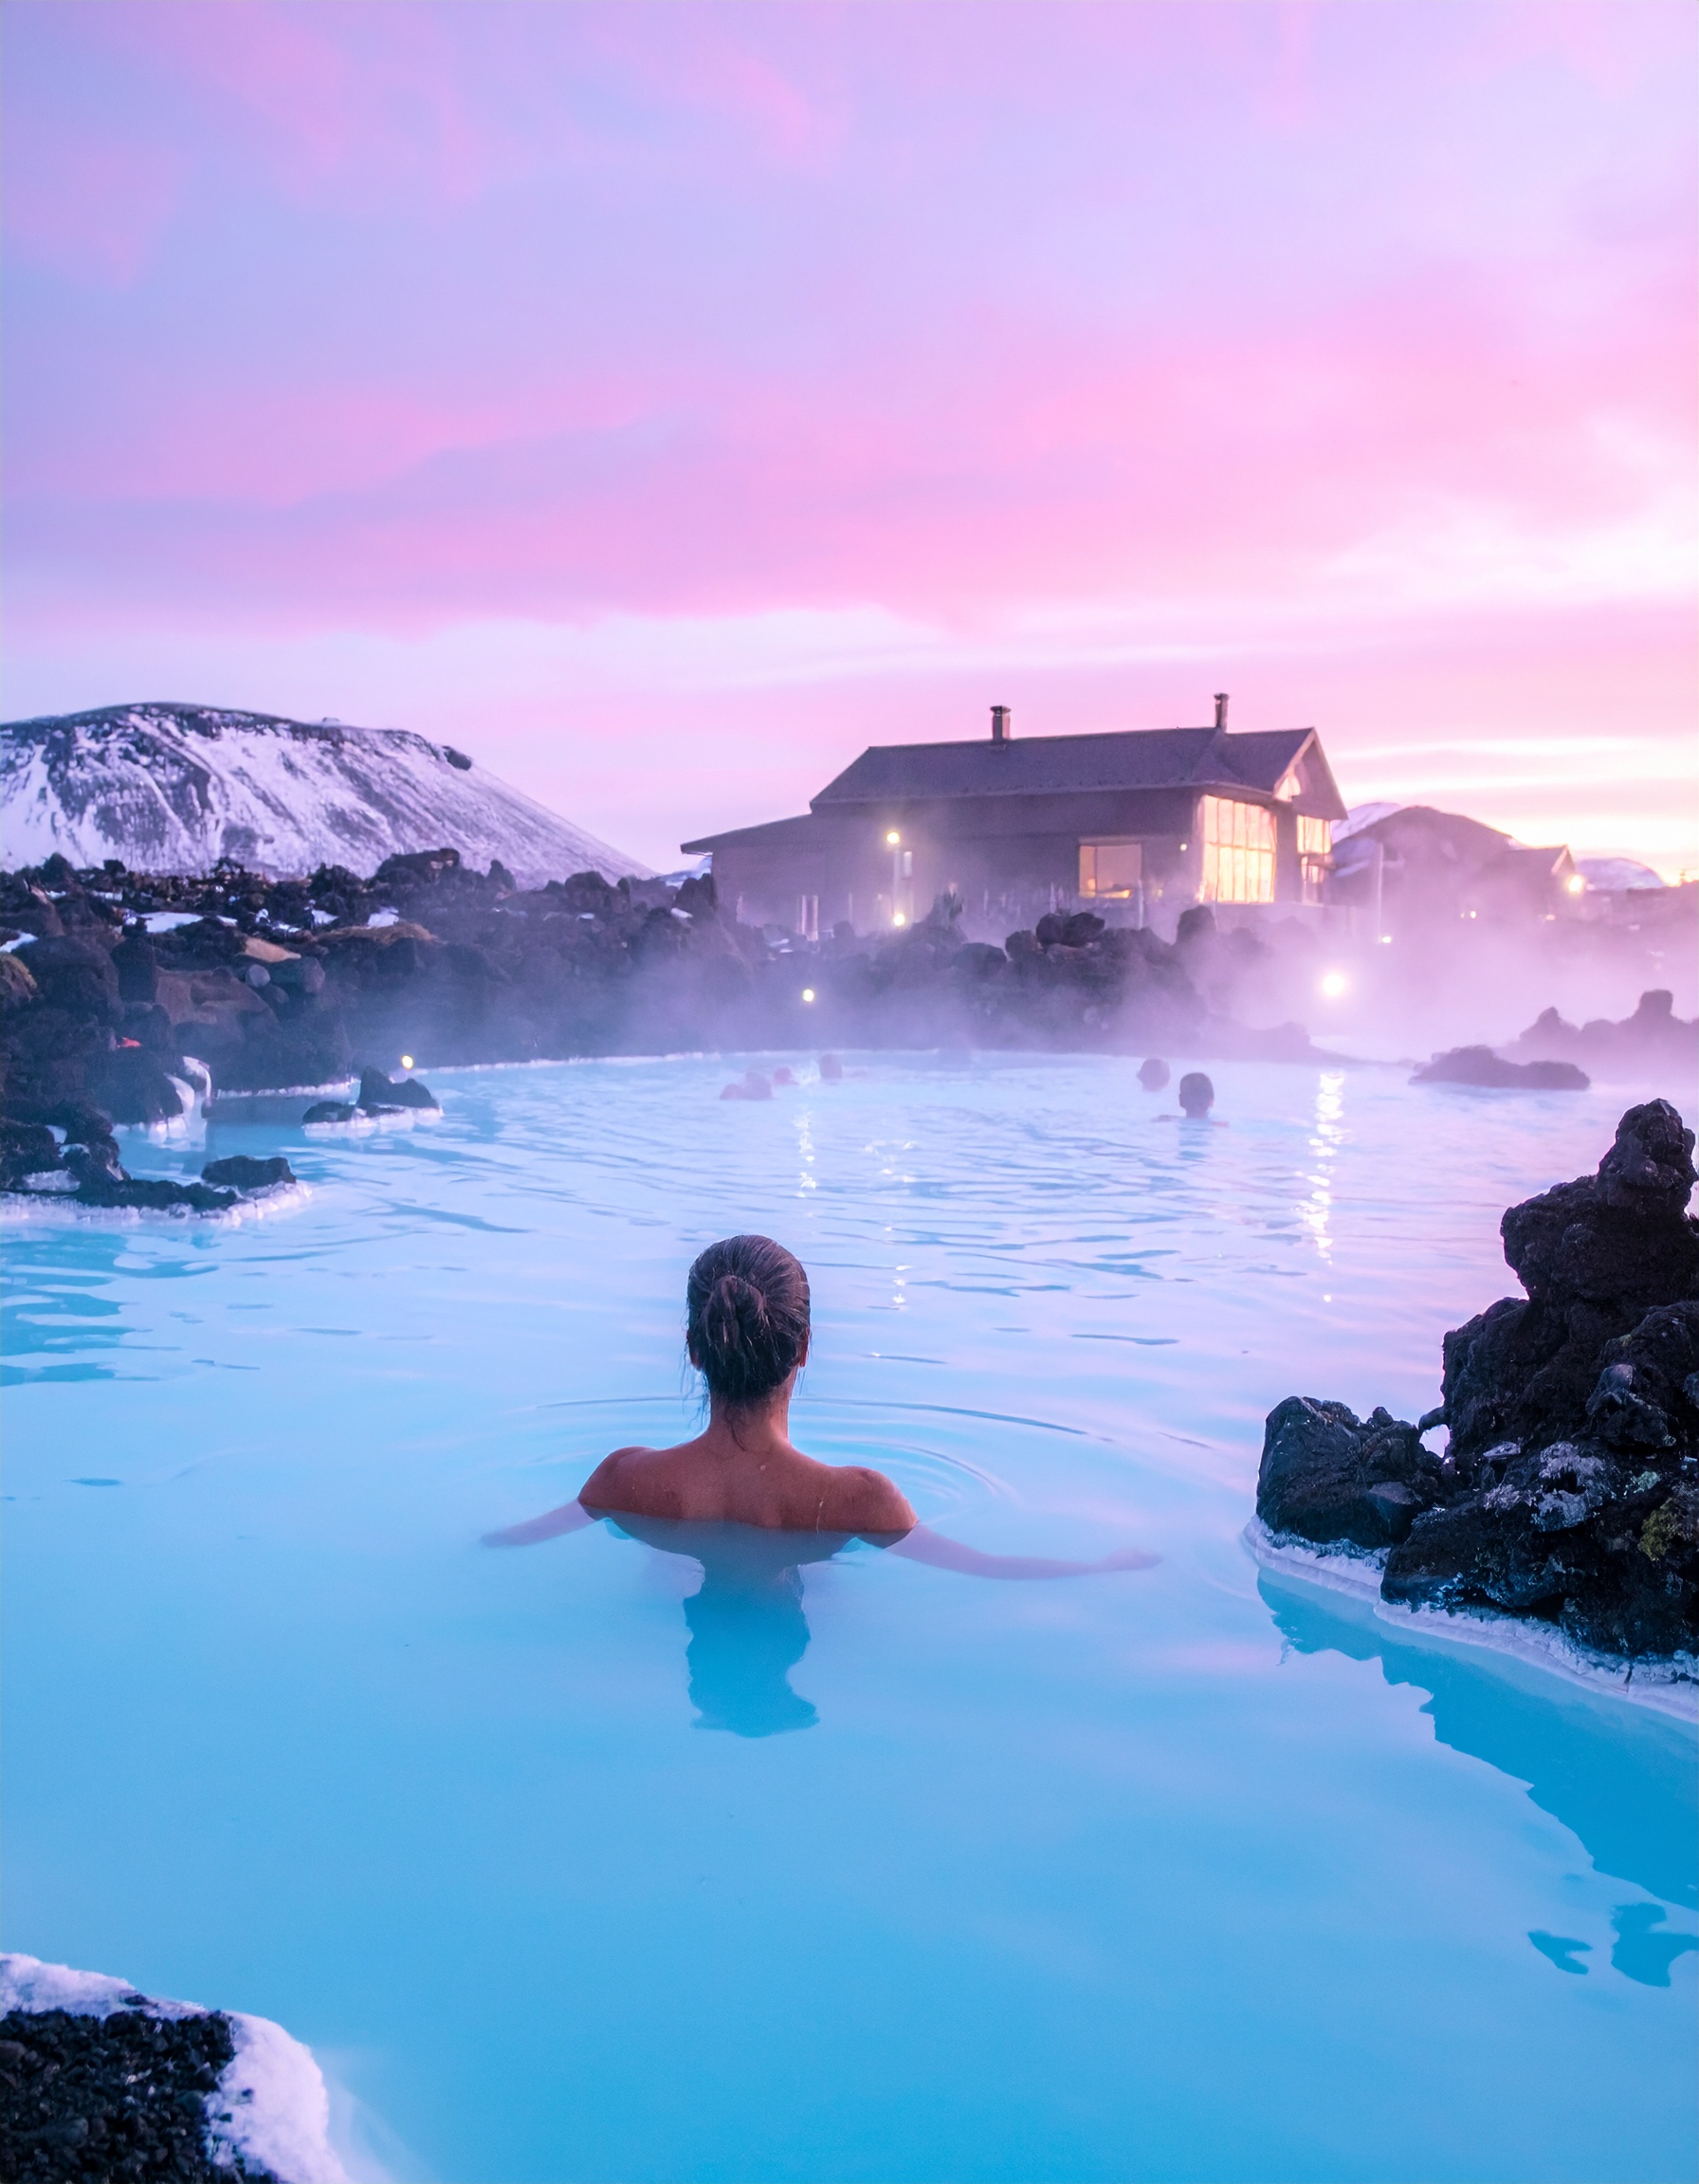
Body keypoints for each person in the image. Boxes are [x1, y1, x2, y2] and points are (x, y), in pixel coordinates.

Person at [486, 1233, 1159, 1577]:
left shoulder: (623, 1479)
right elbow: (987, 1568)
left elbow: (508, 1542)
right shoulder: (857, 1500)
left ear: (694, 1348)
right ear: (804, 1348)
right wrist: (1104, 1568)